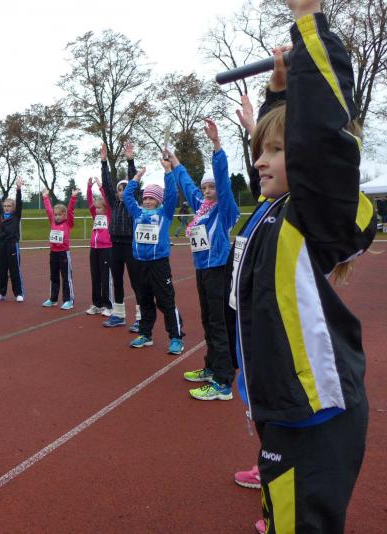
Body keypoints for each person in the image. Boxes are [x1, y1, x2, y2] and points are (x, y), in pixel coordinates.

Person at [233, 2, 376, 531]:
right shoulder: (274, 210)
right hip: (281, 409)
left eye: (274, 150)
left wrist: (309, 19)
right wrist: (279, 95)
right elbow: (292, 148)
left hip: (314, 416)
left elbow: (318, 143)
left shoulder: (315, 211)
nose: (259, 161)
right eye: (260, 150)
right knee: (282, 510)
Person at [176, 118, 240, 401]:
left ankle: (223, 382)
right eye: (205, 189)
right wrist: (175, 163)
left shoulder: (224, 209)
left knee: (218, 322)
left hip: (218, 269)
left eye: (211, 188)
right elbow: (188, 185)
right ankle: (212, 367)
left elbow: (223, 183)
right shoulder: (201, 208)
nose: (208, 192)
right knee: (207, 320)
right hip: (202, 269)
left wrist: (216, 145)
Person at [123, 156, 184, 355]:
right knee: (144, 300)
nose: (148, 201)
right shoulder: (137, 212)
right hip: (140, 263)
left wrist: (168, 171)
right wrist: (136, 178)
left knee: (166, 301)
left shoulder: (165, 213)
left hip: (159, 264)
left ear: (159, 200)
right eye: (146, 198)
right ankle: (145, 334)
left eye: (152, 198)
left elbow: (172, 195)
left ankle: (176, 337)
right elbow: (127, 196)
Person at [101, 142, 142, 330]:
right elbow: (107, 185)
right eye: (119, 189)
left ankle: (141, 317)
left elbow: (134, 184)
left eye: (125, 189)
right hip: (115, 246)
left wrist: (130, 161)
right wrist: (104, 163)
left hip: (131, 246)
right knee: (117, 281)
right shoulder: (113, 203)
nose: (122, 192)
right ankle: (118, 315)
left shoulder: (134, 203)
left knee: (136, 282)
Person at [42, 187, 77, 310]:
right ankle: (53, 299)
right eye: (55, 214)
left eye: (59, 214)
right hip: (53, 253)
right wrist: (45, 197)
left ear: (64, 215)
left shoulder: (68, 223)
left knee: (66, 278)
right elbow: (48, 210)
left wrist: (73, 197)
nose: (57, 217)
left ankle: (68, 300)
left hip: (64, 254)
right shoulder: (52, 221)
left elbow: (71, 210)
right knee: (54, 277)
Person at [0, 178, 24, 302]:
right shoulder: (1, 215)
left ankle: (18, 293)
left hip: (12, 245)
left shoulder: (16, 216)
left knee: (14, 270)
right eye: (5, 206)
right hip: (1, 245)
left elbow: (19, 202)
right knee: (2, 270)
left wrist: (18, 189)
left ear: (13, 208)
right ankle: (1, 293)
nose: (6, 208)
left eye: (9, 206)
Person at [86, 176, 113, 316]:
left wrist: (101, 187)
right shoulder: (95, 216)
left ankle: (108, 305)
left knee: (105, 277)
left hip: (106, 249)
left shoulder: (109, 215)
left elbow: (107, 201)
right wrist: (89, 187)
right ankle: (97, 304)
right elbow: (90, 202)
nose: (96, 210)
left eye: (99, 208)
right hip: (94, 249)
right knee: (95, 276)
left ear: (105, 208)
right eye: (95, 208)